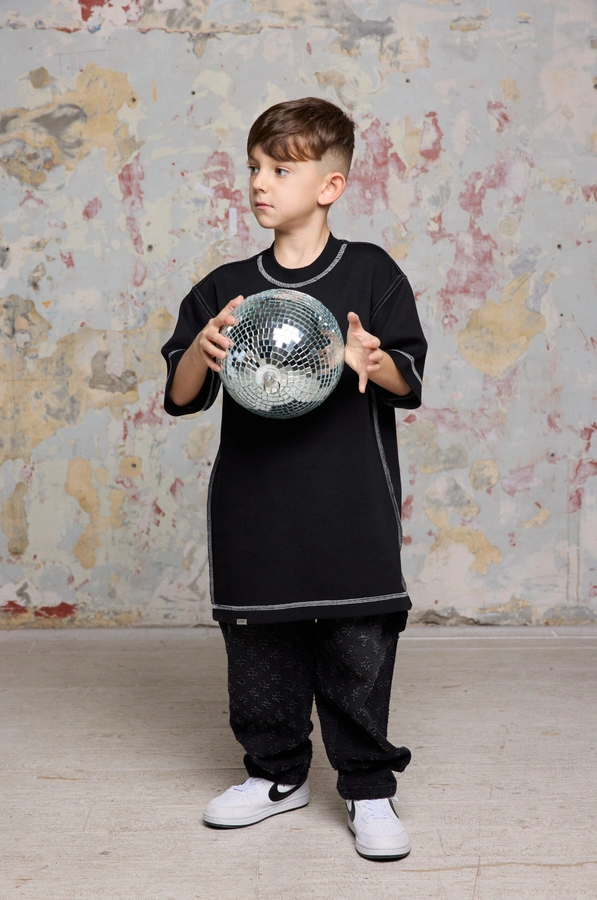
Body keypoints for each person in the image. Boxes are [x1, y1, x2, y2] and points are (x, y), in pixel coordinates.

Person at [161, 97, 427, 861]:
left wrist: (370, 360)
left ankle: (368, 787)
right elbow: (181, 397)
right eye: (254, 167)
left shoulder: (372, 273)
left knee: (357, 648)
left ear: (330, 185)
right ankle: (276, 774)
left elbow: (407, 382)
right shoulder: (227, 287)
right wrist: (200, 350)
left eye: (280, 169)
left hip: (350, 505)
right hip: (256, 507)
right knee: (261, 650)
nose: (259, 182)